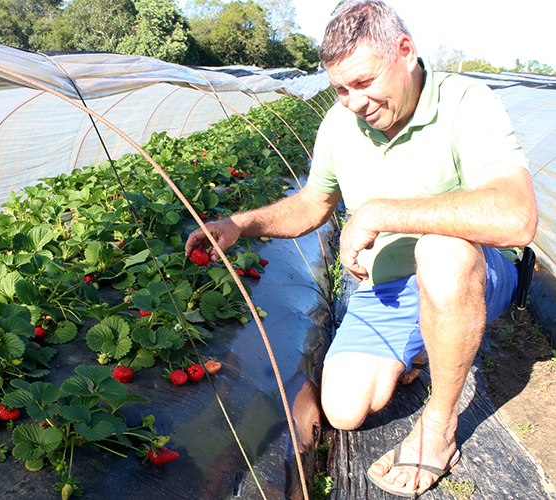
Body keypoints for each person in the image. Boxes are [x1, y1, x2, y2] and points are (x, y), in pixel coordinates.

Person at [184, 0, 538, 497]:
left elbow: (517, 216)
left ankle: (439, 428)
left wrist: (379, 213)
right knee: (344, 410)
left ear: (406, 52)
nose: (353, 101)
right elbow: (312, 203)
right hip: (387, 285)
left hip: (470, 271)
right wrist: (240, 224)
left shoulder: (463, 102)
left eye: (364, 82)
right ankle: (424, 342)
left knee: (441, 253)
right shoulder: (339, 124)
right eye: (341, 88)